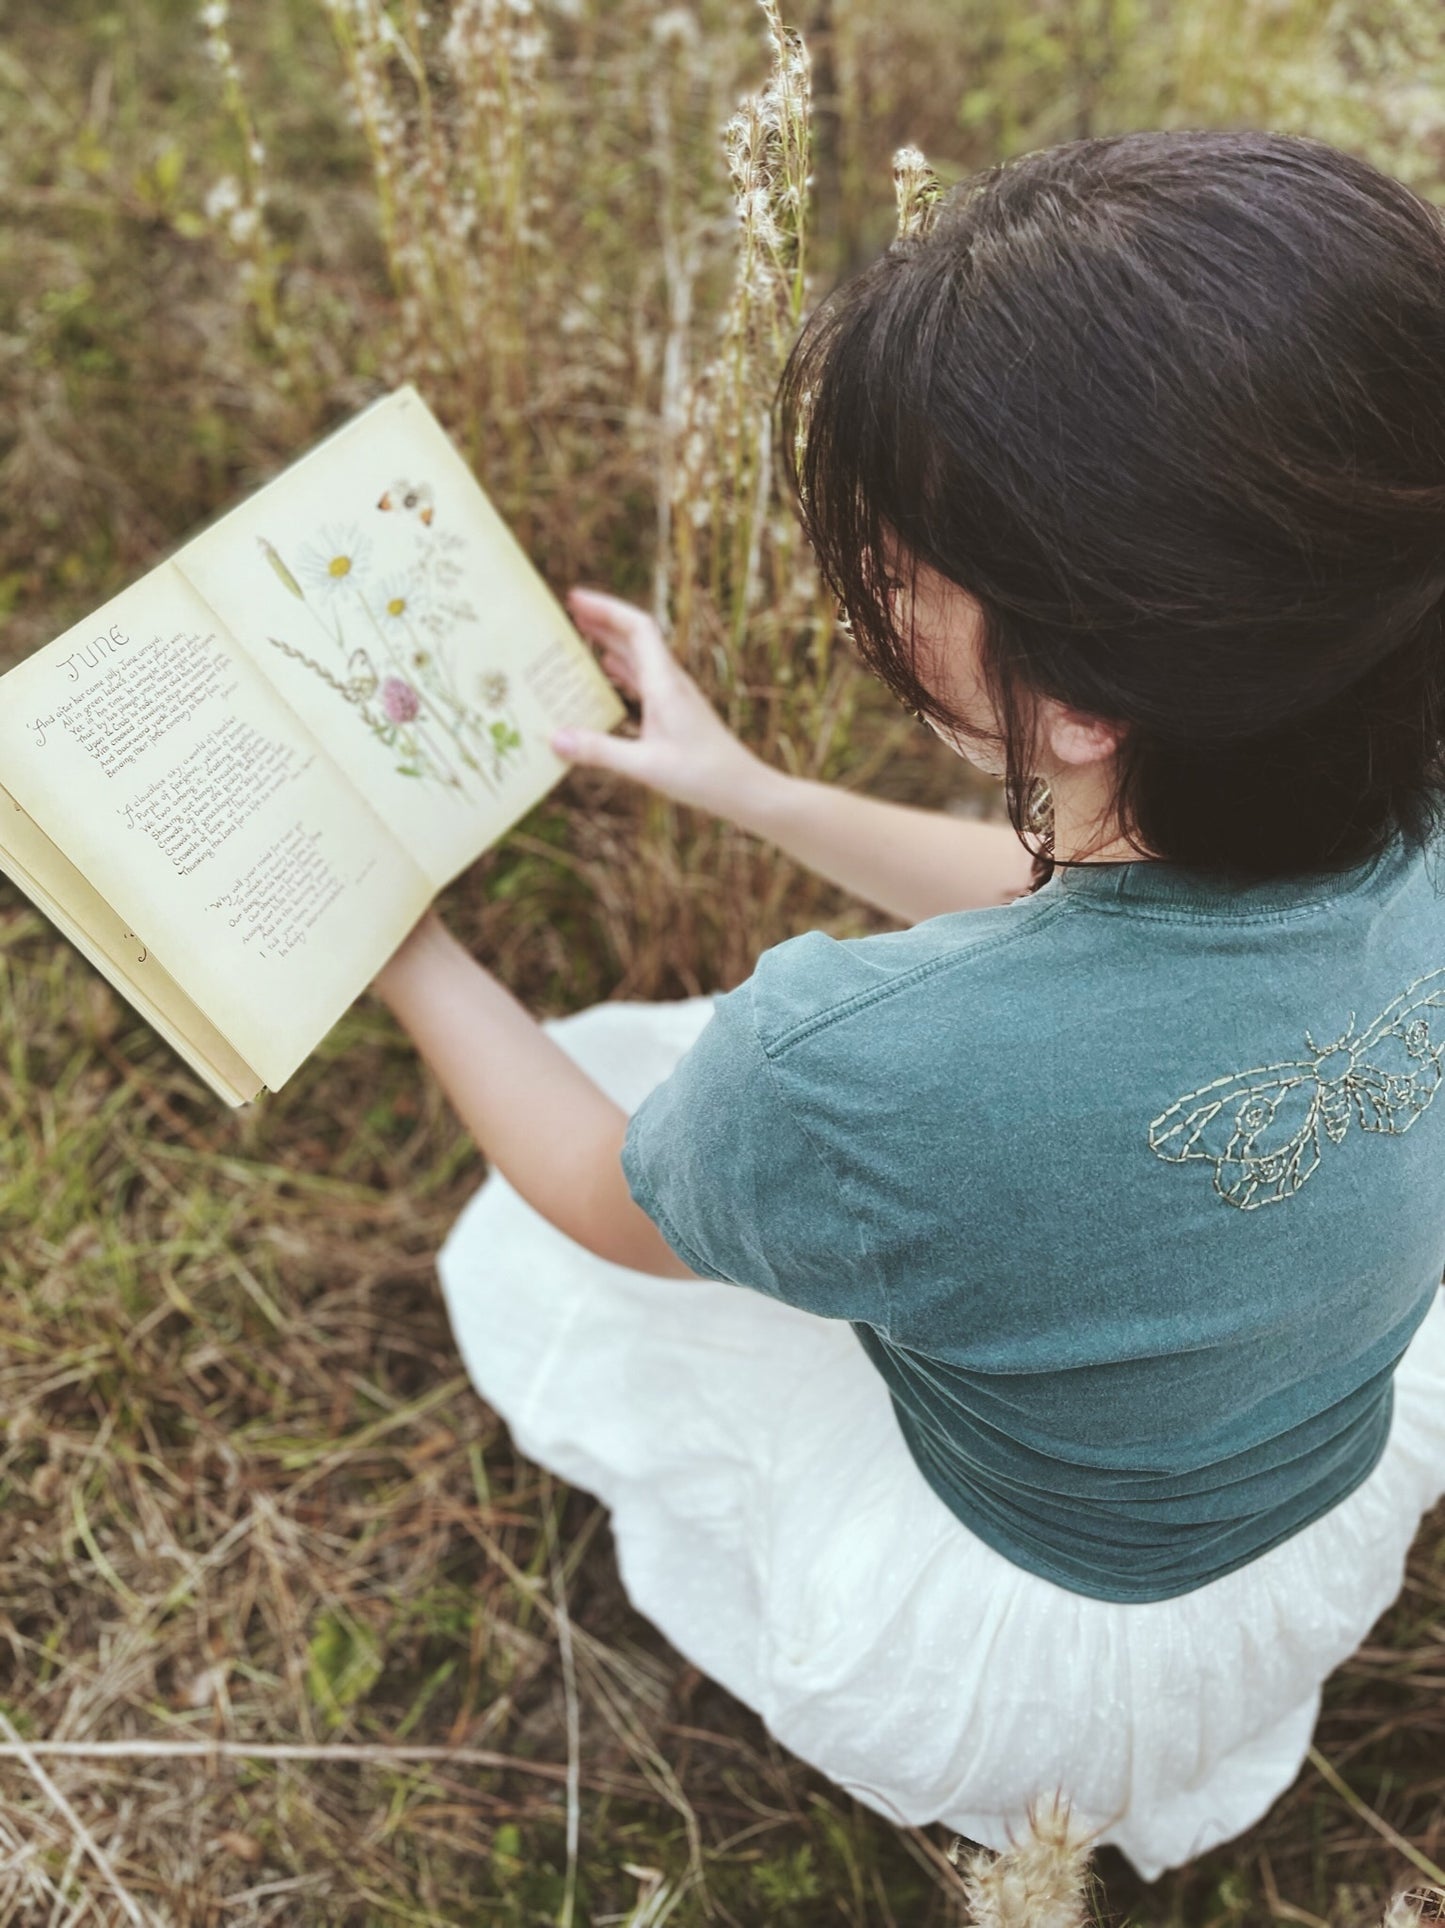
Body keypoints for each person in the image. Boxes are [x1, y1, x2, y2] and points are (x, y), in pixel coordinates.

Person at [369, 126, 1445, 1881]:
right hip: (1301, 1496)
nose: (869, 580)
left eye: (900, 563)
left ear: (1080, 698)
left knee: (587, 1224)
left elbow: (602, 1197)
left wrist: (402, 940)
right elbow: (1093, 920)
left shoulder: (852, 1072)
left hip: (1037, 1645)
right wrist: (747, 790)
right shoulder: (1383, 787)